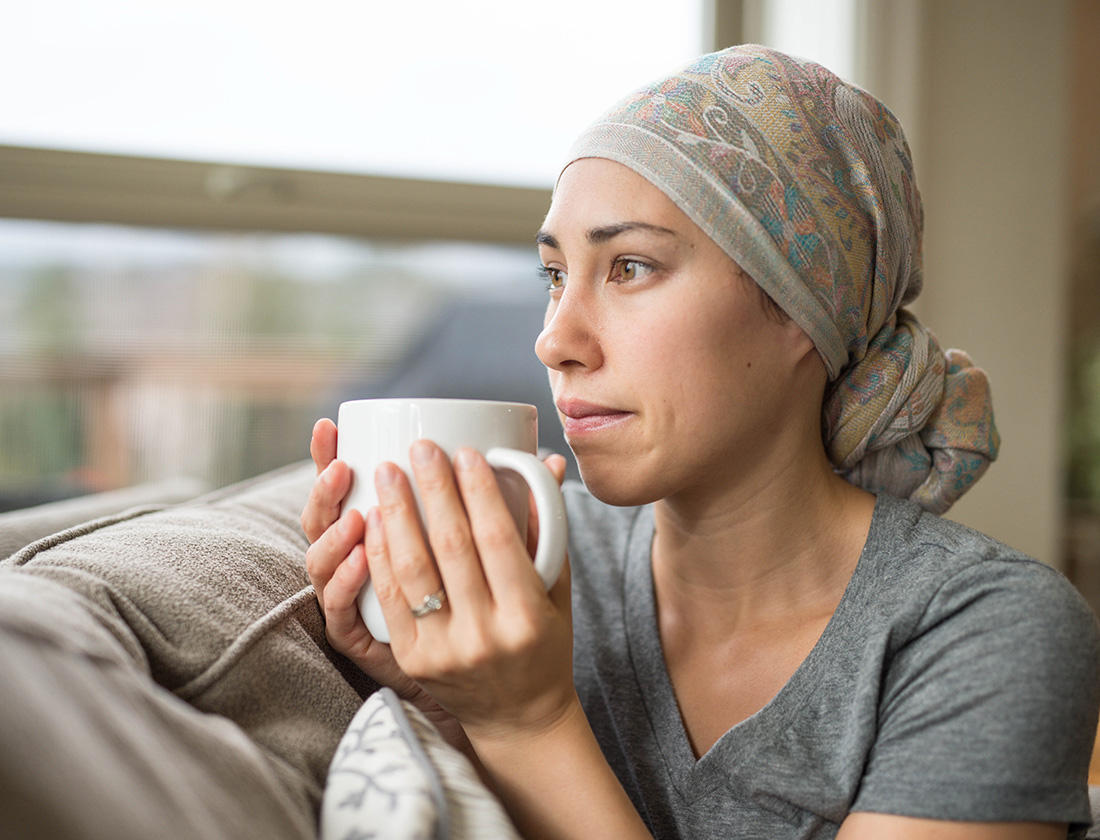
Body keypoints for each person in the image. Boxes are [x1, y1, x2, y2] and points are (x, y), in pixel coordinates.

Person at [301, 45, 1100, 839]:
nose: (555, 340)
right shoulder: (528, 580)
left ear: (800, 305)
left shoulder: (985, 628)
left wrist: (530, 724)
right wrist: (450, 703)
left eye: (631, 267)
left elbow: (531, 728)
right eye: (555, 274)